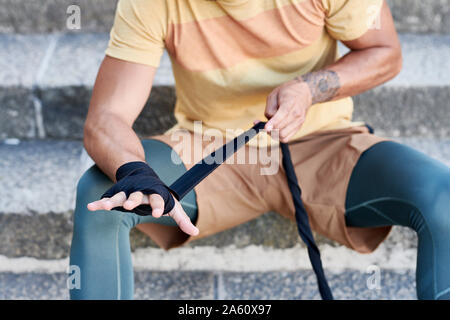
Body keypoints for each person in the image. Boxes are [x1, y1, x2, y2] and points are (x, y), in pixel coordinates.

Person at [69, 0, 450, 300]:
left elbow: (386, 52)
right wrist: (135, 172)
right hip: (211, 152)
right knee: (106, 197)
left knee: (441, 195)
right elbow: (106, 118)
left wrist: (307, 89)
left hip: (323, 142)